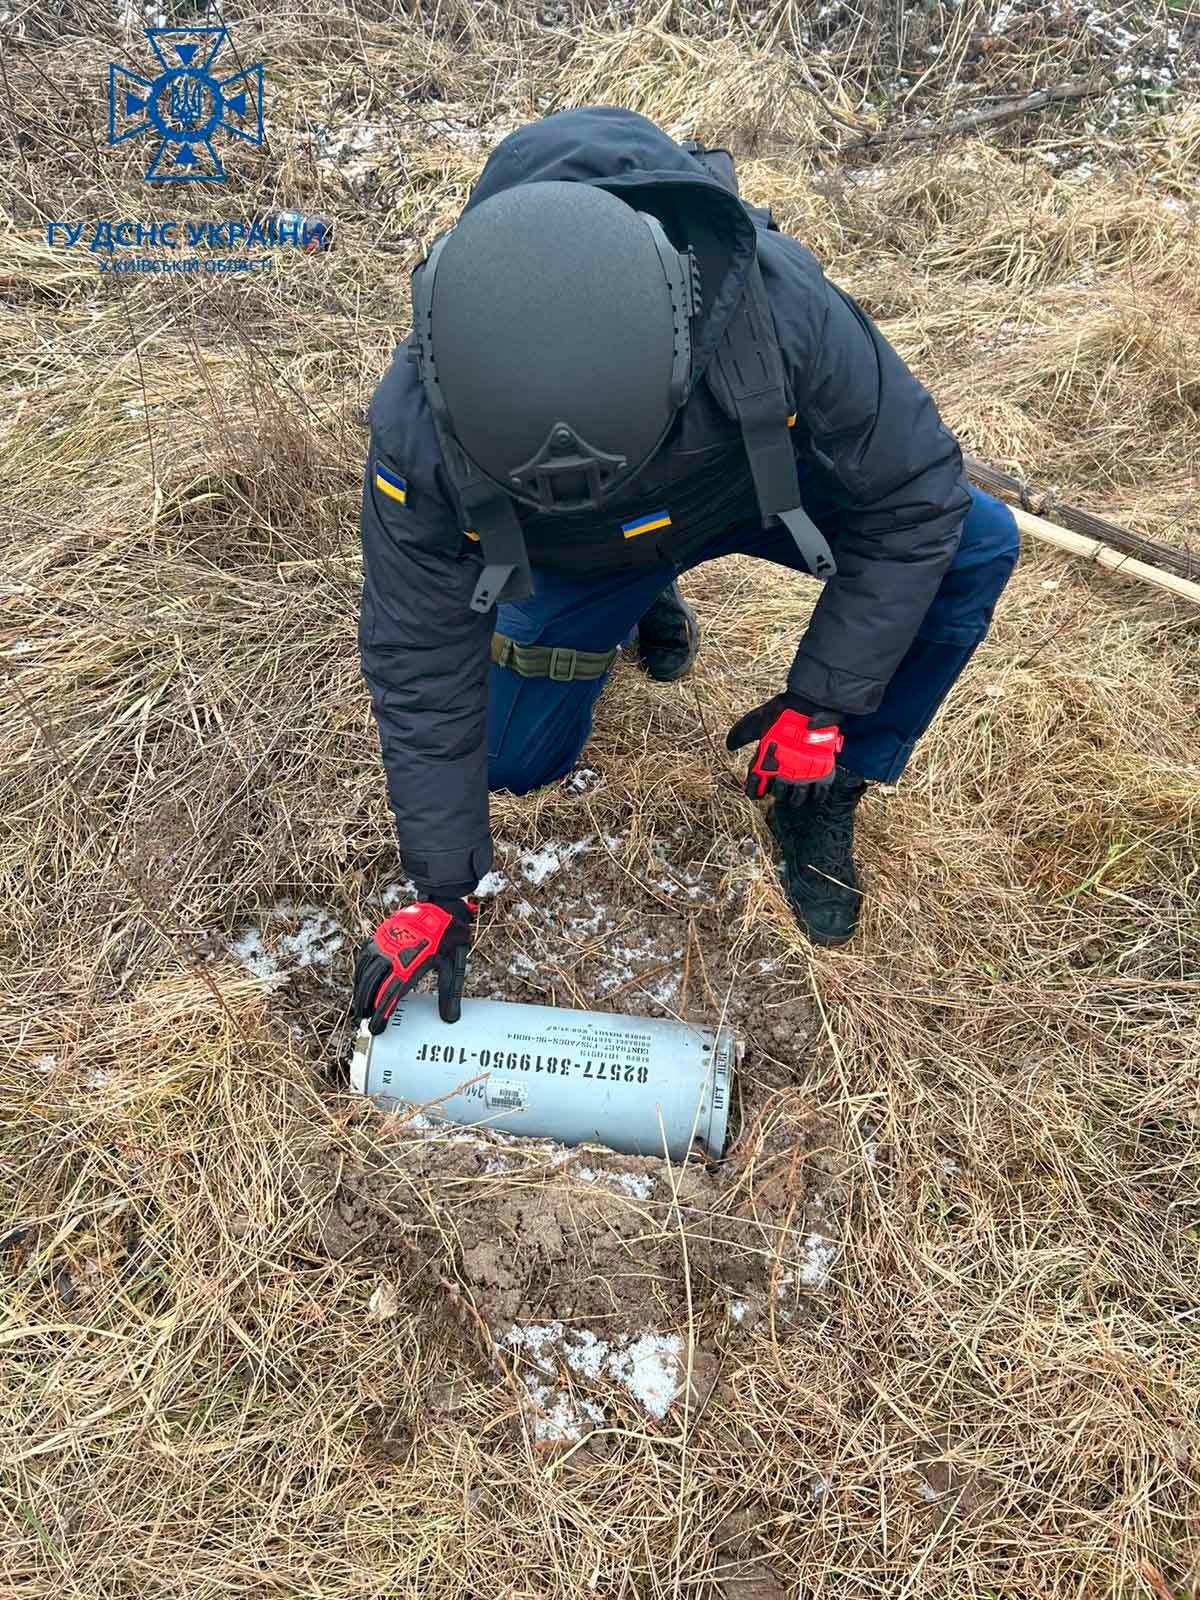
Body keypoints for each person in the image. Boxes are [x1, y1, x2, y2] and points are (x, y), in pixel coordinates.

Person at [350, 107, 1019, 1033]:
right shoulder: (419, 428)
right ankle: (634, 596)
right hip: (574, 561)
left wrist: (827, 702)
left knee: (978, 547)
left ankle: (826, 787)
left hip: (743, 491)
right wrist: (439, 886)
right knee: (511, 763)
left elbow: (916, 497)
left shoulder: (771, 306)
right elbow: (418, 655)